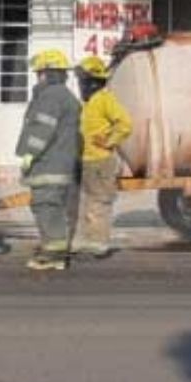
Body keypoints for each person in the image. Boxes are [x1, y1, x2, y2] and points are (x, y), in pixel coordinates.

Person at [17, 49, 81, 272]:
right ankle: (54, 251)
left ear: (47, 73)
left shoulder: (51, 96)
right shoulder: (66, 96)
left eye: (40, 73)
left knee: (46, 207)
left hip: (49, 164)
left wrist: (29, 154)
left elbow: (41, 129)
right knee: (53, 209)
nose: (38, 77)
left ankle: (52, 256)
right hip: (61, 164)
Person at [72, 55, 132, 259]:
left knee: (99, 202)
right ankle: (85, 240)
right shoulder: (89, 103)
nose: (81, 85)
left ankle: (98, 243)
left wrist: (109, 142)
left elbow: (125, 125)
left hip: (101, 160)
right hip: (88, 160)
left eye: (83, 81)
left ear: (94, 81)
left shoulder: (105, 99)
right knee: (86, 202)